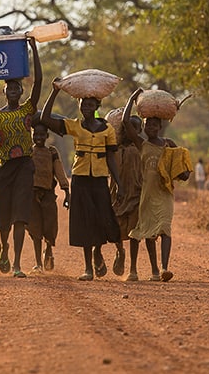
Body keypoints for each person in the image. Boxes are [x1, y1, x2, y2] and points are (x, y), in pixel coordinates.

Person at [40, 78, 121, 281]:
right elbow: (46, 117)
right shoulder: (74, 126)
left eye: (91, 105)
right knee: (84, 222)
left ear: (97, 107)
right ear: (79, 105)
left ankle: (98, 252)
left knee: (102, 219)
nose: (87, 107)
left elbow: (111, 156)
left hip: (100, 179)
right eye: (84, 104)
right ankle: (88, 268)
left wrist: (118, 182)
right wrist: (55, 92)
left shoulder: (108, 130)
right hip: (81, 179)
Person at [0, 37, 42, 278]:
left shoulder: (28, 110)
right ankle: (4, 246)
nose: (13, 91)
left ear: (22, 91)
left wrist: (34, 50)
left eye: (17, 88)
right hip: (3, 168)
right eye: (10, 88)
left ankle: (17, 262)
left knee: (21, 214)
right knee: (3, 218)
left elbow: (39, 81)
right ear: (4, 90)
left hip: (24, 167)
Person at [125, 89, 192, 282]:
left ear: (160, 126)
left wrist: (184, 174)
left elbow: (182, 169)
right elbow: (125, 123)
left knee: (165, 229)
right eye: (148, 124)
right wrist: (132, 98)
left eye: (155, 124)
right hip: (146, 193)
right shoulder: (141, 144)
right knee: (144, 231)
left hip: (165, 193)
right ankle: (141, 270)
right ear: (144, 126)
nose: (151, 127)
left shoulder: (169, 144)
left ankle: (164, 268)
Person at [27, 120, 70, 274]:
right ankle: (38, 263)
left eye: (41, 134)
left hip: (48, 195)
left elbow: (59, 171)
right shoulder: (28, 151)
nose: (38, 137)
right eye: (35, 134)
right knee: (35, 228)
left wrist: (66, 191)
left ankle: (49, 249)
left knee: (50, 227)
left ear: (47, 136)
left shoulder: (52, 152)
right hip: (31, 196)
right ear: (31, 135)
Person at [110, 113, 143, 280]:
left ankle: (133, 269)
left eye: (134, 129)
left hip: (137, 195)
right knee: (116, 230)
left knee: (134, 234)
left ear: (139, 130)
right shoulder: (115, 150)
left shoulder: (141, 148)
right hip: (118, 195)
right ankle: (119, 251)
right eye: (126, 129)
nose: (130, 133)